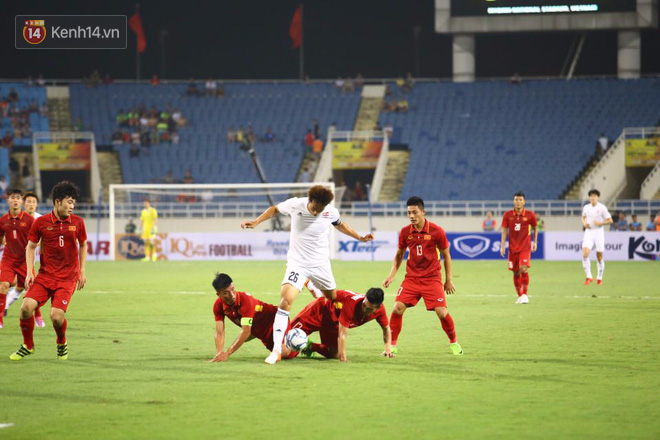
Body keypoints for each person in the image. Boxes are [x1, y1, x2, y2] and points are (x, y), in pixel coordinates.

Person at [240, 185, 374, 364]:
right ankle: (277, 351)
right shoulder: (296, 204)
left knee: (332, 297)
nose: (317, 212)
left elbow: (341, 225)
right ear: (310, 201)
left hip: (321, 265)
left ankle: (311, 284)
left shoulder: (329, 211)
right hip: (298, 264)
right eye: (315, 208)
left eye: (321, 210)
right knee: (285, 301)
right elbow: (274, 209)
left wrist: (360, 237)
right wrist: (256, 222)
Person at [9, 181, 87, 361]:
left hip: (67, 278)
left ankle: (61, 342)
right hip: (46, 275)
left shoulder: (78, 223)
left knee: (56, 316)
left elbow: (83, 244)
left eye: (74, 202)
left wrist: (82, 271)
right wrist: (30, 271)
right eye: (69, 202)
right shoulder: (41, 223)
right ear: (58, 202)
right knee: (26, 308)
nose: (72, 206)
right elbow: (30, 247)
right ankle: (28, 346)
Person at [383, 196, 462, 355]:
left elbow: (447, 256)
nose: (411, 216)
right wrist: (391, 276)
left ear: (423, 212)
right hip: (412, 279)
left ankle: (454, 342)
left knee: (441, 312)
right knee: (397, 308)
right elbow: (399, 255)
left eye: (415, 212)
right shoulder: (405, 232)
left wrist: (449, 280)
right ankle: (392, 345)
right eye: (409, 213)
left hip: (432, 279)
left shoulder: (436, 231)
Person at [209, 273, 295, 362]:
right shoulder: (218, 305)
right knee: (245, 337)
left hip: (274, 320)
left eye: (233, 289)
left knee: (285, 353)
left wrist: (227, 353)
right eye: (226, 293)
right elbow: (219, 331)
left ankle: (301, 340)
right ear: (218, 294)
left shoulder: (245, 300)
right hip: (260, 332)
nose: (232, 295)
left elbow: (246, 331)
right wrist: (219, 353)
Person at [292, 288, 394, 362]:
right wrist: (343, 358)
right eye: (364, 305)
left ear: (377, 308)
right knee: (286, 346)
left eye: (369, 309)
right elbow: (342, 335)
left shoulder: (380, 311)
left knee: (334, 354)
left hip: (334, 324)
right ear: (364, 299)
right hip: (319, 312)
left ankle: (308, 345)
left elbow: (386, 328)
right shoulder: (351, 304)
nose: (364, 309)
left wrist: (388, 349)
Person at [4, 192, 45, 325]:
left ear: (37, 204)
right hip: (12, 256)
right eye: (28, 202)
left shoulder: (39, 219)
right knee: (14, 284)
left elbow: (42, 239)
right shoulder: (15, 218)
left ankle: (5, 306)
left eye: (33, 202)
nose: (31, 204)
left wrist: (32, 246)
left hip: (28, 259)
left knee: (22, 286)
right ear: (24, 203)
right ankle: (4, 307)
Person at [0, 189, 35, 329]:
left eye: (18, 198)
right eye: (12, 198)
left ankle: (37, 316)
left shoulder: (29, 219)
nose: (15, 200)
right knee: (4, 285)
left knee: (30, 287)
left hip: (24, 259)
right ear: (8, 200)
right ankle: (0, 317)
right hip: (8, 259)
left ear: (22, 201)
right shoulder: (2, 221)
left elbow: (36, 239)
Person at [500, 192, 538, 304]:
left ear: (524, 202)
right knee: (515, 272)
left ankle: (525, 294)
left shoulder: (530, 215)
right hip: (512, 248)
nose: (518, 202)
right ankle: (519, 296)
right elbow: (504, 231)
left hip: (525, 247)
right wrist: (502, 246)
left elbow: (535, 228)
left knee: (523, 268)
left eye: (520, 200)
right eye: (516, 200)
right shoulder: (507, 215)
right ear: (513, 201)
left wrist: (535, 242)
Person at [581, 189, 613, 286]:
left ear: (597, 197)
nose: (592, 198)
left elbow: (610, 220)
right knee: (585, 254)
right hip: (589, 232)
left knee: (599, 257)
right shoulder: (586, 207)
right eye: (591, 196)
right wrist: (584, 224)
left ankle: (599, 278)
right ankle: (589, 277)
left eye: (594, 196)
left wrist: (600, 223)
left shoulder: (602, 208)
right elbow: (583, 217)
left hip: (599, 232)